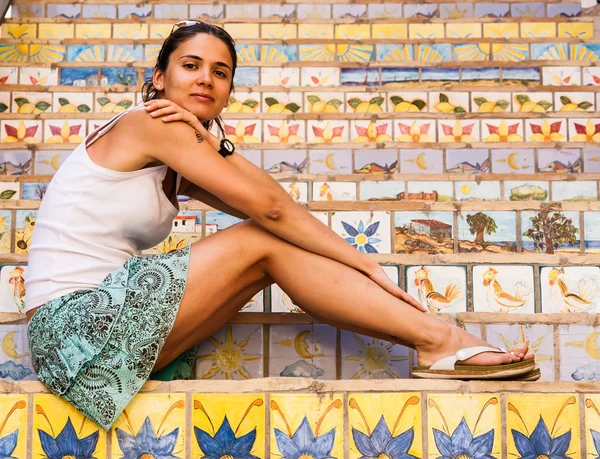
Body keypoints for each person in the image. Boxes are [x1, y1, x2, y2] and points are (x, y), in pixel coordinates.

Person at [24, 21, 537, 430]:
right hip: (75, 330)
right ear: (159, 78)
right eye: (190, 65)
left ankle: (438, 342)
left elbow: (267, 204)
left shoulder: (178, 149)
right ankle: (439, 340)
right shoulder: (147, 123)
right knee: (261, 241)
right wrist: (364, 262)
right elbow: (271, 212)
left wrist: (214, 143)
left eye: (220, 72)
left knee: (269, 245)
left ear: (228, 90)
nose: (205, 78)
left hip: (101, 340)